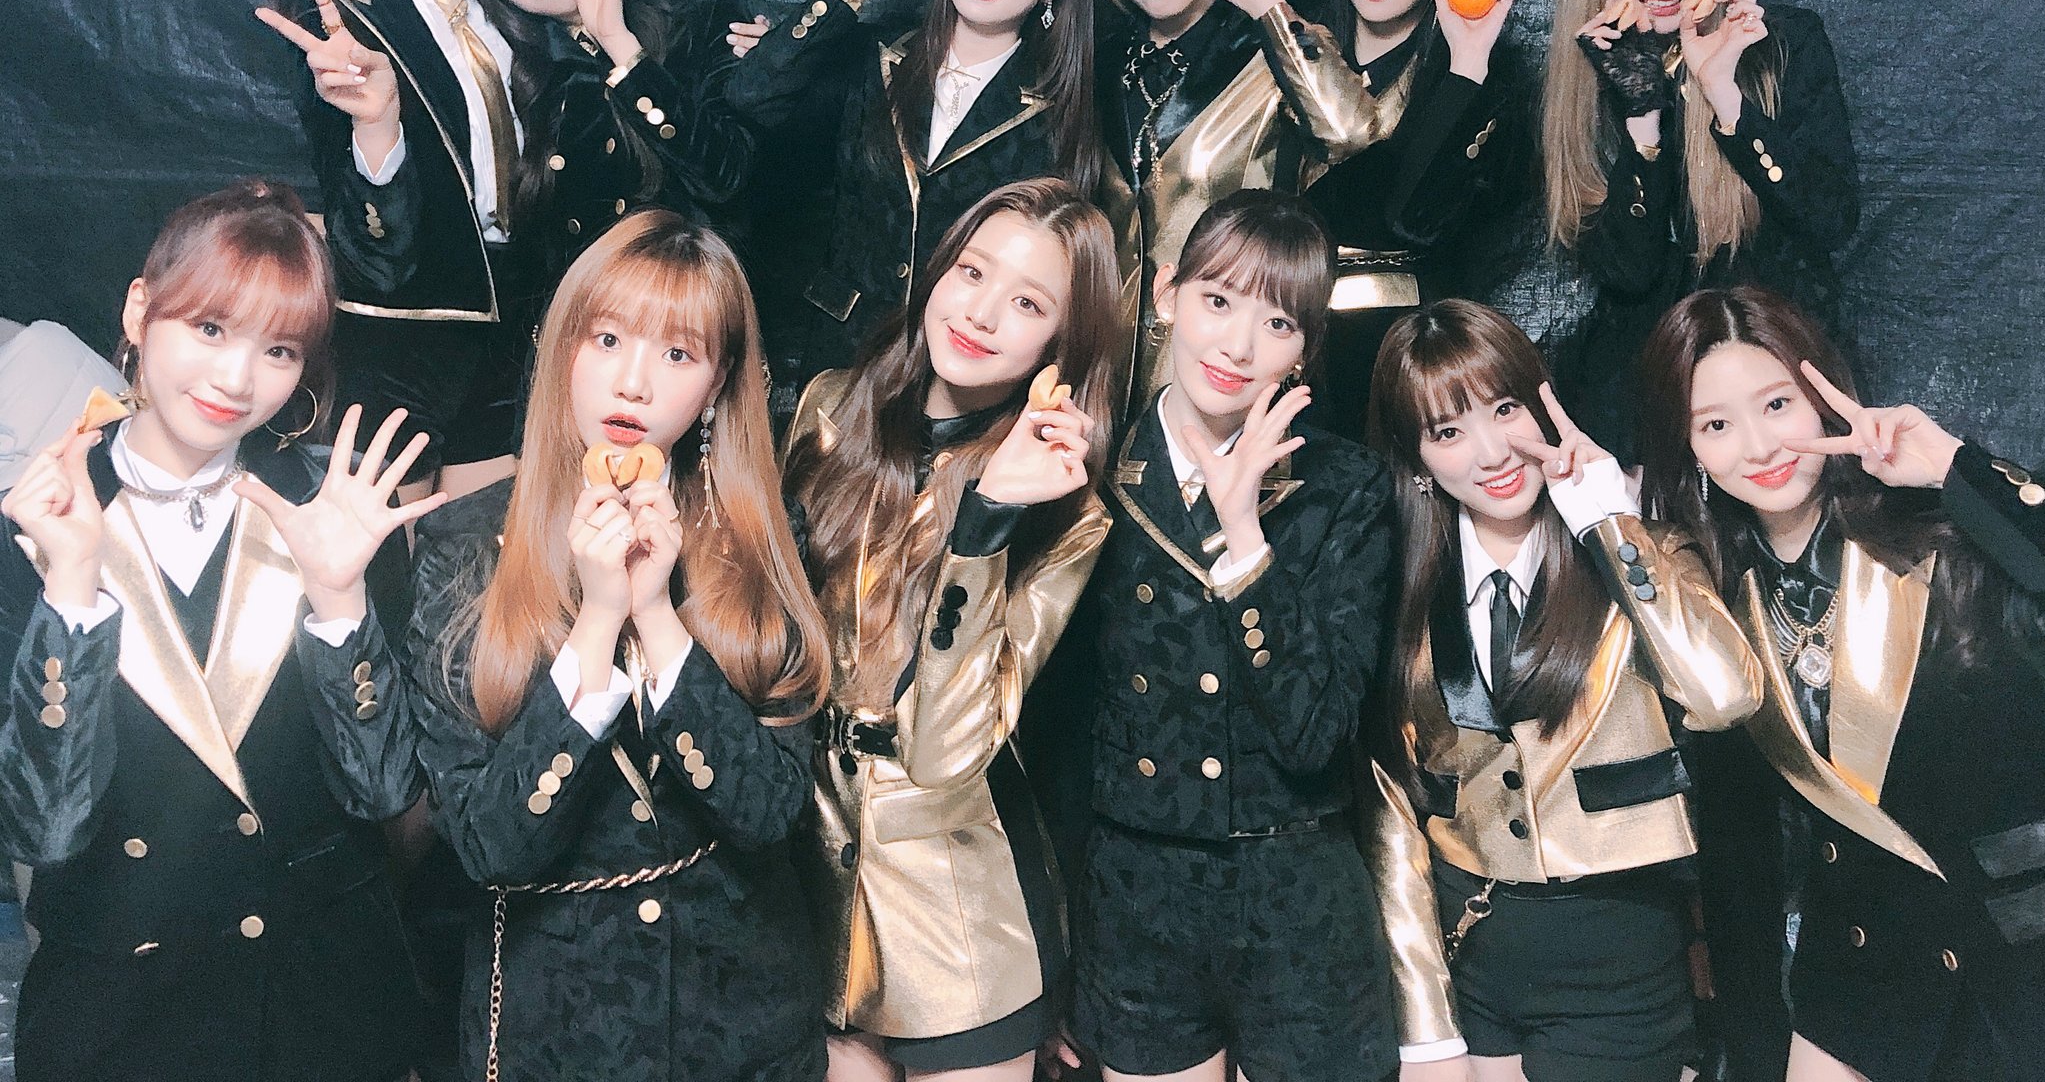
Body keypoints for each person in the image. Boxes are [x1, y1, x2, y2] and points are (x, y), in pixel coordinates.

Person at [0, 179, 437, 1081]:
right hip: (122, 1016)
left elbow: (386, 794)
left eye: (279, 350)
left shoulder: (334, 510)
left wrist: (340, 599)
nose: (237, 380)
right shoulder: (38, 521)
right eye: (209, 329)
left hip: (325, 1008)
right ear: (138, 310)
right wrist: (72, 588)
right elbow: (43, 829)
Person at [405, 210, 832, 1082]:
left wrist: (657, 614)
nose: (633, 383)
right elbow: (487, 847)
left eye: (678, 354)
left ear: (716, 384)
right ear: (562, 347)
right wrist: (599, 621)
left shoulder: (760, 537)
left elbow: (769, 815)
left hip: (742, 1024)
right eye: (607, 339)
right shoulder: (464, 545)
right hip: (557, 1027)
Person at [1638, 286, 2045, 1082]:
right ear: (1688, 449)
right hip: (1862, 974)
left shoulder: (1944, 536)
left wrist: (1955, 468)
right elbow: (1743, 863)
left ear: (1821, 396)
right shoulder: (1716, 609)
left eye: (1777, 404)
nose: (1759, 445)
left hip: (2016, 965)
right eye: (1716, 425)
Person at [1365, 298, 1762, 1082]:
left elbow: (1725, 696)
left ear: (1543, 403)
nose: (1491, 452)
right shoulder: (1402, 590)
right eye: (1448, 431)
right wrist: (1426, 1026)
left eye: (1504, 409)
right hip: (1470, 953)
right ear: (1418, 459)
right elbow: (1392, 803)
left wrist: (1608, 523)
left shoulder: (1641, 548)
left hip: (1617, 955)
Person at [782, 177, 1121, 1081]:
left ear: (1062, 346)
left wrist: (987, 524)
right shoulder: (827, 411)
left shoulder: (1067, 510)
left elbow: (943, 747)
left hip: (958, 912)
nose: (980, 312)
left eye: (1028, 302)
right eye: (972, 271)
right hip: (807, 895)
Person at [1066, 189, 1401, 1082]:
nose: (1238, 347)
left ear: (1306, 349)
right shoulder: (1085, 468)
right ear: (1165, 295)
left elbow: (1316, 734)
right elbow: (1054, 730)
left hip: (1298, 900)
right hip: (1136, 898)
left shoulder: (1347, 488)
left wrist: (1245, 534)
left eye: (1278, 322)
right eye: (1217, 300)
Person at [723, 0, 1104, 406]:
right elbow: (750, 96)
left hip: (961, 380)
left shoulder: (1057, 111)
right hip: (839, 362)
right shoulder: (873, 56)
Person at [258, 0, 535, 496]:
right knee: (384, 555)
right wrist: (376, 124)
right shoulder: (333, 23)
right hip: (400, 337)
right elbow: (369, 246)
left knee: (487, 555)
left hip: (516, 322)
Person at [1540, 0, 1859, 461]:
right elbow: (1627, 273)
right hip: (1650, 392)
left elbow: (1830, 219)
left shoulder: (1781, 43)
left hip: (1779, 368)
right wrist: (1642, 116)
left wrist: (1726, 96)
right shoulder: (1585, 72)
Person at [1090, 0, 1419, 406]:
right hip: (1105, 376)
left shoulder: (1272, 50)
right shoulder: (1103, 63)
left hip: (1231, 370)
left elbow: (1353, 134)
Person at [1272, 0, 1519, 440]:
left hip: (1401, 360)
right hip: (1282, 340)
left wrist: (1466, 67)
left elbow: (1410, 219)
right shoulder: (1297, 51)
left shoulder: (1476, 76)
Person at [450, 0, 756, 288]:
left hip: (699, 307)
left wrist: (618, 44)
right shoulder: (529, 80)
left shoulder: (700, 18)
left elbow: (727, 179)